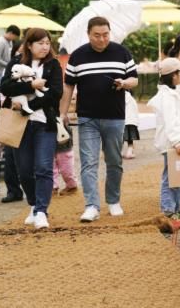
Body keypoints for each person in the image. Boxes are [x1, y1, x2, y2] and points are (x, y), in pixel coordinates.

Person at [59, 16, 139, 222]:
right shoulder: (77, 56)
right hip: (87, 118)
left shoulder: (122, 52)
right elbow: (68, 86)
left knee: (114, 161)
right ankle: (91, 206)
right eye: (97, 35)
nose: (102, 39)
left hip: (115, 116)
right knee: (88, 162)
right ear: (88, 34)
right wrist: (63, 113)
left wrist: (125, 83)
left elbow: (134, 79)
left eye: (105, 35)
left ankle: (113, 200)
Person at [0, 28, 63, 230]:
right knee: (25, 171)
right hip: (20, 125)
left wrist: (29, 107)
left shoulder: (53, 65)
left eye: (47, 43)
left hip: (45, 123)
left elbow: (55, 93)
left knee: (43, 168)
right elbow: (5, 87)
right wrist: (31, 86)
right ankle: (34, 205)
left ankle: (42, 211)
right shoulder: (16, 62)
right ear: (29, 44)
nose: (45, 47)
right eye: (40, 43)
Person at [147, 58, 180, 217]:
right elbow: (170, 120)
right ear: (174, 75)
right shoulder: (167, 96)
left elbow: (179, 118)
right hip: (173, 144)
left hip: (176, 143)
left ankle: (173, 209)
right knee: (171, 177)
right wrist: (177, 142)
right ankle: (168, 210)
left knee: (177, 177)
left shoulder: (171, 94)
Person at [1, 39, 26, 204]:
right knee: (9, 154)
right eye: (19, 51)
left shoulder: (41, 64)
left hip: (33, 114)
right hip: (12, 112)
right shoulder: (12, 64)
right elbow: (5, 88)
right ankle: (13, 190)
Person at [53, 120, 78, 196]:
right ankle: (52, 187)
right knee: (50, 167)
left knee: (66, 168)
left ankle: (71, 186)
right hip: (46, 137)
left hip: (63, 140)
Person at [123, 90, 139, 159]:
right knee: (130, 139)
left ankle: (119, 152)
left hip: (123, 121)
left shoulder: (122, 96)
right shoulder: (132, 100)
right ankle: (129, 152)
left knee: (121, 138)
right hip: (132, 121)